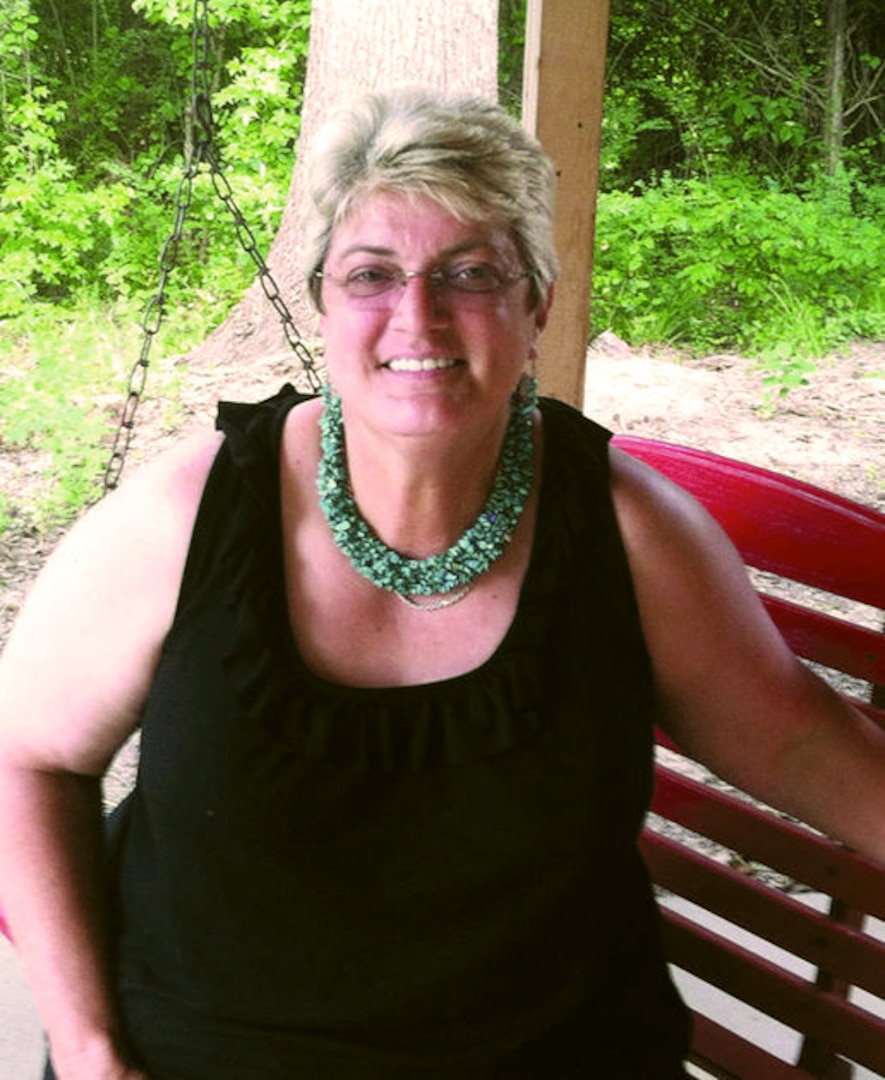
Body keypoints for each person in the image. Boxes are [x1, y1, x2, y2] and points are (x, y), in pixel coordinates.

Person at [1, 87, 884, 1080]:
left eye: (469, 273)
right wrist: (86, 1052)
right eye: (372, 274)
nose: (415, 315)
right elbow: (25, 758)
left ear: (535, 304)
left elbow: (795, 735)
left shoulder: (629, 533)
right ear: (324, 301)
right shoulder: (182, 523)